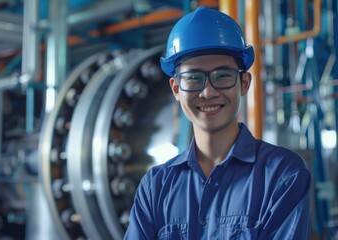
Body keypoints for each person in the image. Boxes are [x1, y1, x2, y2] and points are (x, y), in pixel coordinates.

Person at [124, 6, 311, 240]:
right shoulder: (155, 187)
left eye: (222, 75)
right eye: (193, 78)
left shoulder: (282, 175)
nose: (208, 92)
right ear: (175, 89)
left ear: (244, 83)